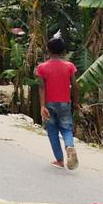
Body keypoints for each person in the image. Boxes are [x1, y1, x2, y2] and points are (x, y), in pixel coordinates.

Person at [37, 37, 79, 170]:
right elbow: (75, 85)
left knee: (52, 131)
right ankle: (69, 146)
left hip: (49, 104)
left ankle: (59, 160)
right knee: (66, 129)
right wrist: (76, 102)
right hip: (64, 103)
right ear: (63, 51)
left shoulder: (42, 67)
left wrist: (42, 105)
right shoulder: (69, 66)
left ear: (48, 50)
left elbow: (42, 87)